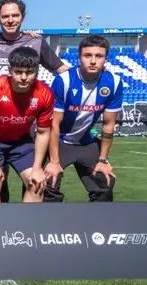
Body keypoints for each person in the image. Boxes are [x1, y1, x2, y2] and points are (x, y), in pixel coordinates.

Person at [0, 0, 70, 202]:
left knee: (36, 183)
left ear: (22, 17)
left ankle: (25, 231)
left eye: (15, 15)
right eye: (5, 16)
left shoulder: (35, 41)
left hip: (23, 128)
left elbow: (61, 69)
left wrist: (92, 74)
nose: (10, 20)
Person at [43, 35, 122, 202]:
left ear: (105, 59)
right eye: (88, 56)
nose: (93, 61)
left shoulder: (114, 82)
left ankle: (98, 225)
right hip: (59, 142)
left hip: (86, 142)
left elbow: (108, 125)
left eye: (98, 56)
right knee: (49, 179)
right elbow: (54, 124)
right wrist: (54, 161)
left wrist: (102, 160)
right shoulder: (63, 81)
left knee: (104, 180)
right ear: (79, 58)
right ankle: (49, 226)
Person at [0, 47, 55, 203]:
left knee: (37, 184)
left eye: (29, 72)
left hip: (21, 143)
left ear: (37, 71)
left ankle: (26, 227)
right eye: (18, 72)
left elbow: (43, 133)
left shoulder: (45, 93)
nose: (24, 77)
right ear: (10, 70)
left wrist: (38, 167)